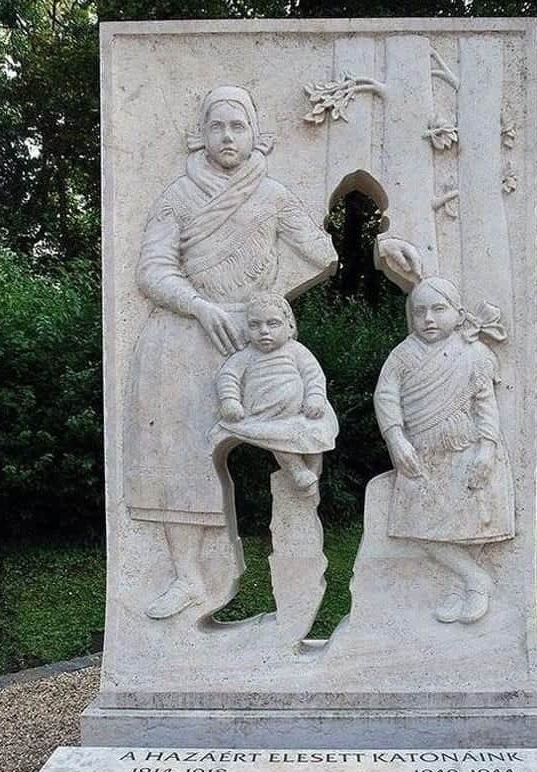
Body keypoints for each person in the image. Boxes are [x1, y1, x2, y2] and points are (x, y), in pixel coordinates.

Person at [125, 85, 336, 619]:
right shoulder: (178, 195)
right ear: (201, 134)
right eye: (216, 126)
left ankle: (299, 538)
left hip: (254, 337)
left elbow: (321, 253)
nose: (226, 137)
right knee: (179, 456)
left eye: (237, 126)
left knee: (288, 422)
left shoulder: (274, 195)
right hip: (181, 338)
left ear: (254, 134)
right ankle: (188, 577)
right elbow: (151, 270)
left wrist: (265, 302)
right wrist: (200, 306)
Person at [374, 276, 514, 623]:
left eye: (438, 309)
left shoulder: (474, 354)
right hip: (420, 456)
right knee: (420, 527)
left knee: (469, 526)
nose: (429, 319)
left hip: (466, 452)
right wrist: (395, 439)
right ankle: (475, 579)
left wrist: (487, 449)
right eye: (419, 311)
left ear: (458, 313)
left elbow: (486, 404)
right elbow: (385, 396)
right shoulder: (403, 355)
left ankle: (462, 588)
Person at [213, 293, 338, 495]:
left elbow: (313, 376)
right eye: (254, 325)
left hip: (301, 413)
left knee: (314, 439)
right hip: (263, 417)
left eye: (273, 324)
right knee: (278, 440)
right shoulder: (245, 356)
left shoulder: (297, 351)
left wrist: (315, 397)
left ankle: (313, 474)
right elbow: (227, 377)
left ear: (290, 327)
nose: (263, 331)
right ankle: (297, 470)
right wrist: (230, 401)